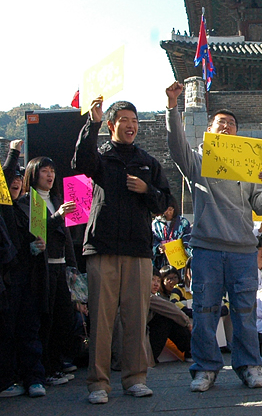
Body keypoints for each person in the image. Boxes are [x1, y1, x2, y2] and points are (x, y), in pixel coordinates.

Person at [165, 82, 262, 393]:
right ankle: (205, 368)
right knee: (204, 311)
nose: (226, 127)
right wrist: (173, 107)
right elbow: (176, 147)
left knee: (245, 311)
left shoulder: (250, 162)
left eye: (231, 124)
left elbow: (260, 206)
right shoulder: (198, 161)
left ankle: (250, 366)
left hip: (243, 249)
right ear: (210, 131)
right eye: (220, 123)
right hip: (207, 249)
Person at [72, 97, 171, 404]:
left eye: (135, 121)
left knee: (136, 316)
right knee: (102, 319)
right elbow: (80, 164)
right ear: (113, 125)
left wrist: (147, 190)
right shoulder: (101, 157)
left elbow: (165, 202)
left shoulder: (147, 162)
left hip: (139, 249)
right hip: (103, 246)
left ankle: (135, 378)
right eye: (125, 120)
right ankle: (99, 383)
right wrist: (92, 123)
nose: (131, 126)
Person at [19, 156, 78, 387]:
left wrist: (72, 266)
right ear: (34, 174)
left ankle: (55, 365)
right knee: (45, 319)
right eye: (45, 171)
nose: (50, 175)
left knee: (63, 320)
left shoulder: (56, 200)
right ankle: (42, 370)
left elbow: (66, 237)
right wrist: (58, 215)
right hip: (42, 270)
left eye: (52, 171)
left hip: (61, 266)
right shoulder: (28, 202)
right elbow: (39, 228)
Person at [0, 140, 47, 398]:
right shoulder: (4, 209)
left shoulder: (30, 207)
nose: (16, 182)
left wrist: (38, 245)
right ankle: (7, 380)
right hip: (8, 280)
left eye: (19, 177)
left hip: (29, 278)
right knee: (7, 331)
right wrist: (13, 153)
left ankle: (35, 378)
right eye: (11, 178)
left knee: (30, 329)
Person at [152, 196, 191, 269]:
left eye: (170, 209)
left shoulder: (183, 223)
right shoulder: (155, 224)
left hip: (179, 260)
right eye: (165, 210)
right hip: (161, 261)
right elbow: (152, 241)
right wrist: (158, 248)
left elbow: (188, 240)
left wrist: (181, 245)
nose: (168, 212)